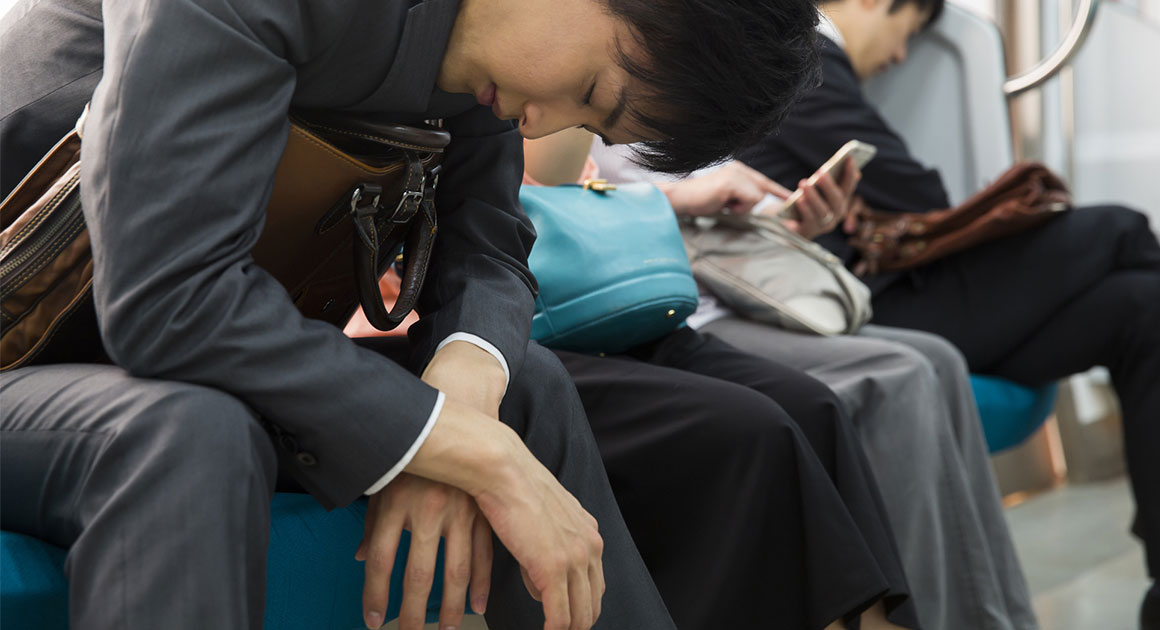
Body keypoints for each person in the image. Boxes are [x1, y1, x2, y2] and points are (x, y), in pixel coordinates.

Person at [0, 0, 828, 629]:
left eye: (587, 121)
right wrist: (459, 449)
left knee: (522, 381)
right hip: (27, 356)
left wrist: (461, 402)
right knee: (184, 429)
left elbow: (493, 243)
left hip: (158, 344)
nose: (542, 123)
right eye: (588, 91)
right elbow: (166, 295)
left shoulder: (484, 53)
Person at [741, 0, 1160, 628]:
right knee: (1123, 230)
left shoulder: (802, 63)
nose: (901, 54)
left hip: (886, 290)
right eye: (906, 32)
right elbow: (916, 193)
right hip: (866, 307)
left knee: (1152, 309)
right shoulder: (800, 57)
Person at [527, 128, 1036, 630]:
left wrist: (779, 218)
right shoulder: (572, 96)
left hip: (695, 288)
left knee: (878, 382)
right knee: (889, 383)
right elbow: (560, 191)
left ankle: (989, 619)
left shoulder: (680, 77)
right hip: (644, 295)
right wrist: (678, 197)